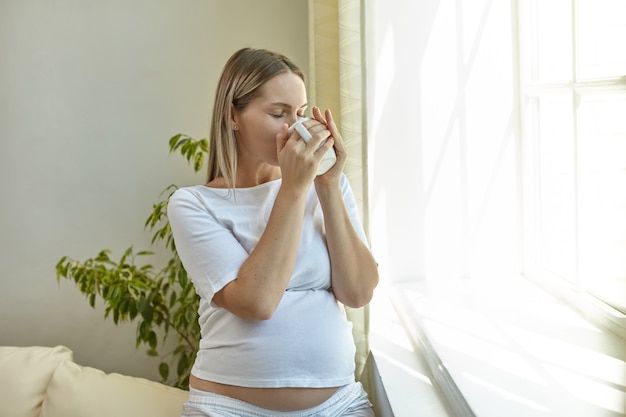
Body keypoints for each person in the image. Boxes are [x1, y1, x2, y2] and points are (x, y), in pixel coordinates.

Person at [168, 47, 379, 417]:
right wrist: (294, 189)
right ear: (233, 116)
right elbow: (257, 302)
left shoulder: (327, 187)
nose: (295, 128)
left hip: (338, 405)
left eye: (299, 113)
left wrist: (327, 186)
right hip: (230, 408)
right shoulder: (193, 204)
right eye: (278, 113)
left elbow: (359, 292)